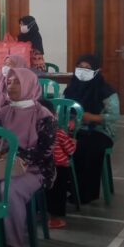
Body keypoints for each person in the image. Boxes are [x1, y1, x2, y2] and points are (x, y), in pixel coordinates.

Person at [0, 68, 56, 247]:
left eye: (17, 82)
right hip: (3, 165)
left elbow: (45, 150)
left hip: (34, 169)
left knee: (9, 189)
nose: (11, 86)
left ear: (29, 84)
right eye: (8, 82)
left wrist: (16, 156)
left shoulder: (43, 115)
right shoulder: (3, 111)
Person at [63, 54, 119, 204]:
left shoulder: (106, 90)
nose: (83, 71)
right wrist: (71, 120)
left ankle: (85, 193)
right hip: (76, 130)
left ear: (96, 71)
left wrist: (92, 117)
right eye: (80, 67)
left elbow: (114, 116)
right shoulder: (71, 89)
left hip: (100, 131)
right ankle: (68, 187)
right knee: (60, 145)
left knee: (85, 147)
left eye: (88, 68)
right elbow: (64, 110)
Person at [39, 98, 76, 229]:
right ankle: (55, 218)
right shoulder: (59, 132)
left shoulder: (35, 132)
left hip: (42, 167)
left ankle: (42, 211)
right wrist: (73, 142)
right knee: (59, 193)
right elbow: (70, 151)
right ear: (54, 116)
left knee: (47, 192)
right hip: (59, 168)